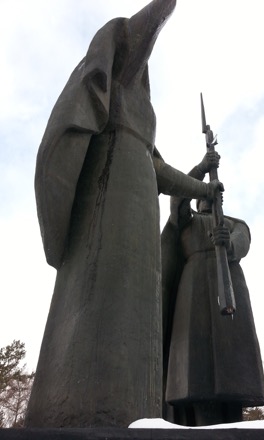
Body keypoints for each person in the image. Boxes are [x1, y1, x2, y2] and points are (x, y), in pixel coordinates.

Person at [26, 0, 221, 429]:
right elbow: (144, 27)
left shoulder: (142, 114)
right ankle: (86, 407)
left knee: (139, 315)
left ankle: (137, 413)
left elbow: (159, 170)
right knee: (102, 300)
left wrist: (203, 185)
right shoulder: (120, 76)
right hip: (108, 195)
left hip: (138, 205)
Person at [162, 152, 264, 426]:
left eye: (214, 195)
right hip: (193, 290)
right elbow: (177, 196)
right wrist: (202, 169)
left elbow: (242, 239)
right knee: (195, 363)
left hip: (229, 287)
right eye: (205, 195)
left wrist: (229, 243)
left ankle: (232, 419)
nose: (210, 198)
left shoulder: (234, 223)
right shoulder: (187, 220)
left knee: (232, 363)